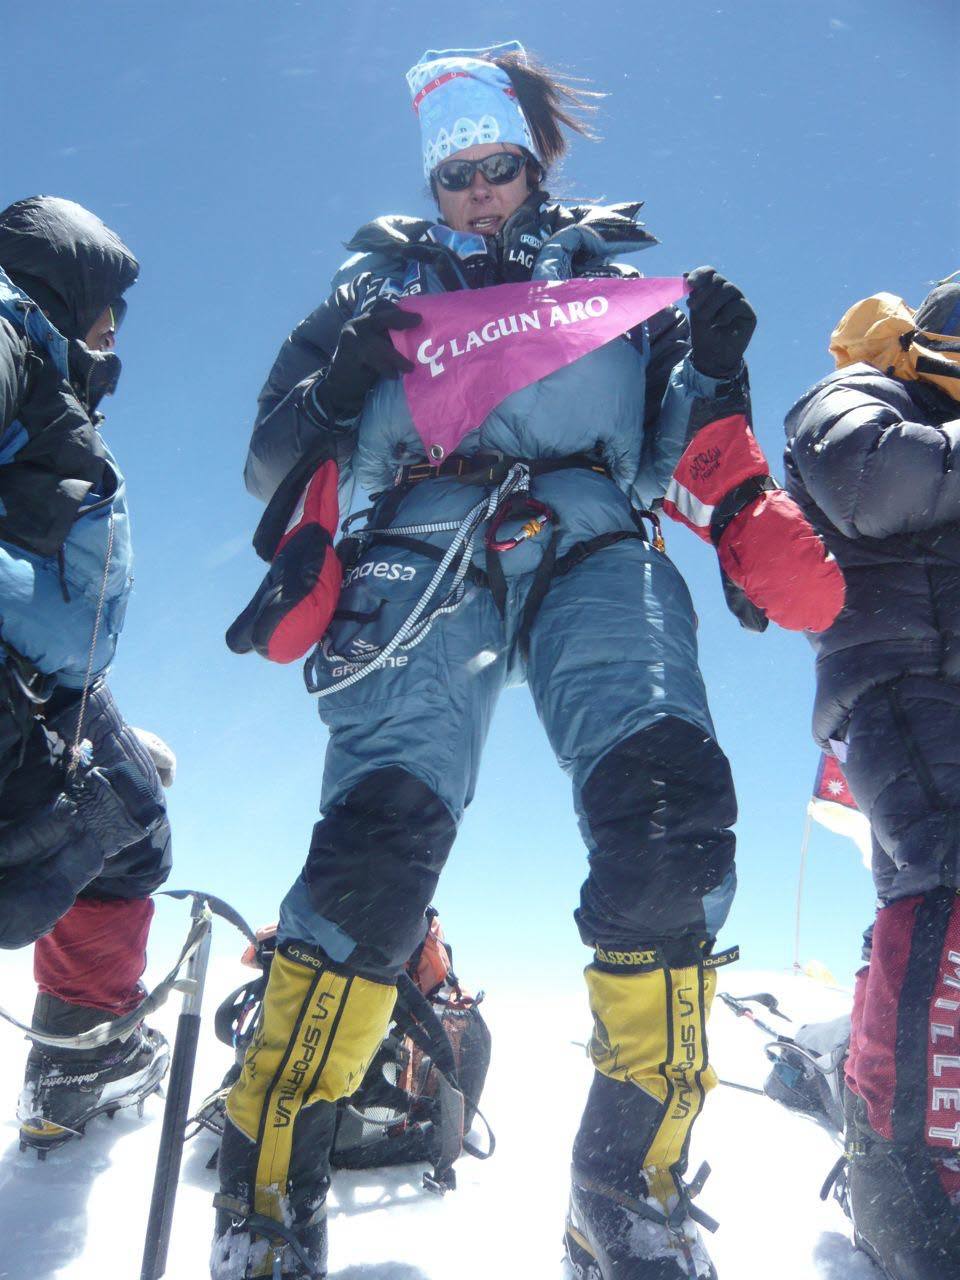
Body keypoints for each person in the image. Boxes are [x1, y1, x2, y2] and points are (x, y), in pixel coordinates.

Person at [215, 44, 842, 1280]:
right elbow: (267, 460)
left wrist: (714, 360)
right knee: (377, 850)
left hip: (598, 532)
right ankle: (269, 1203)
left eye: (497, 167)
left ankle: (626, 1196)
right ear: (432, 185)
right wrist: (338, 384)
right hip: (421, 543)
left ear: (530, 161)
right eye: (456, 178)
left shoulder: (611, 277)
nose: (479, 195)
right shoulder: (374, 285)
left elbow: (678, 446)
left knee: (669, 820)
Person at [783, 277, 960, 1278]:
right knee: (949, 883)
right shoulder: (855, 394)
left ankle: (896, 1159)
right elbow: (872, 481)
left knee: (925, 908)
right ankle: (913, 1200)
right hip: (906, 677)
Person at [0, 196, 173, 1153]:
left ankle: (78, 1059)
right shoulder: (6, 332)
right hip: (16, 686)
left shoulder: (43, 375)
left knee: (131, 826)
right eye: (107, 301)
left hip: (45, 688)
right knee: (126, 835)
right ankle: (78, 1057)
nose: (114, 327)